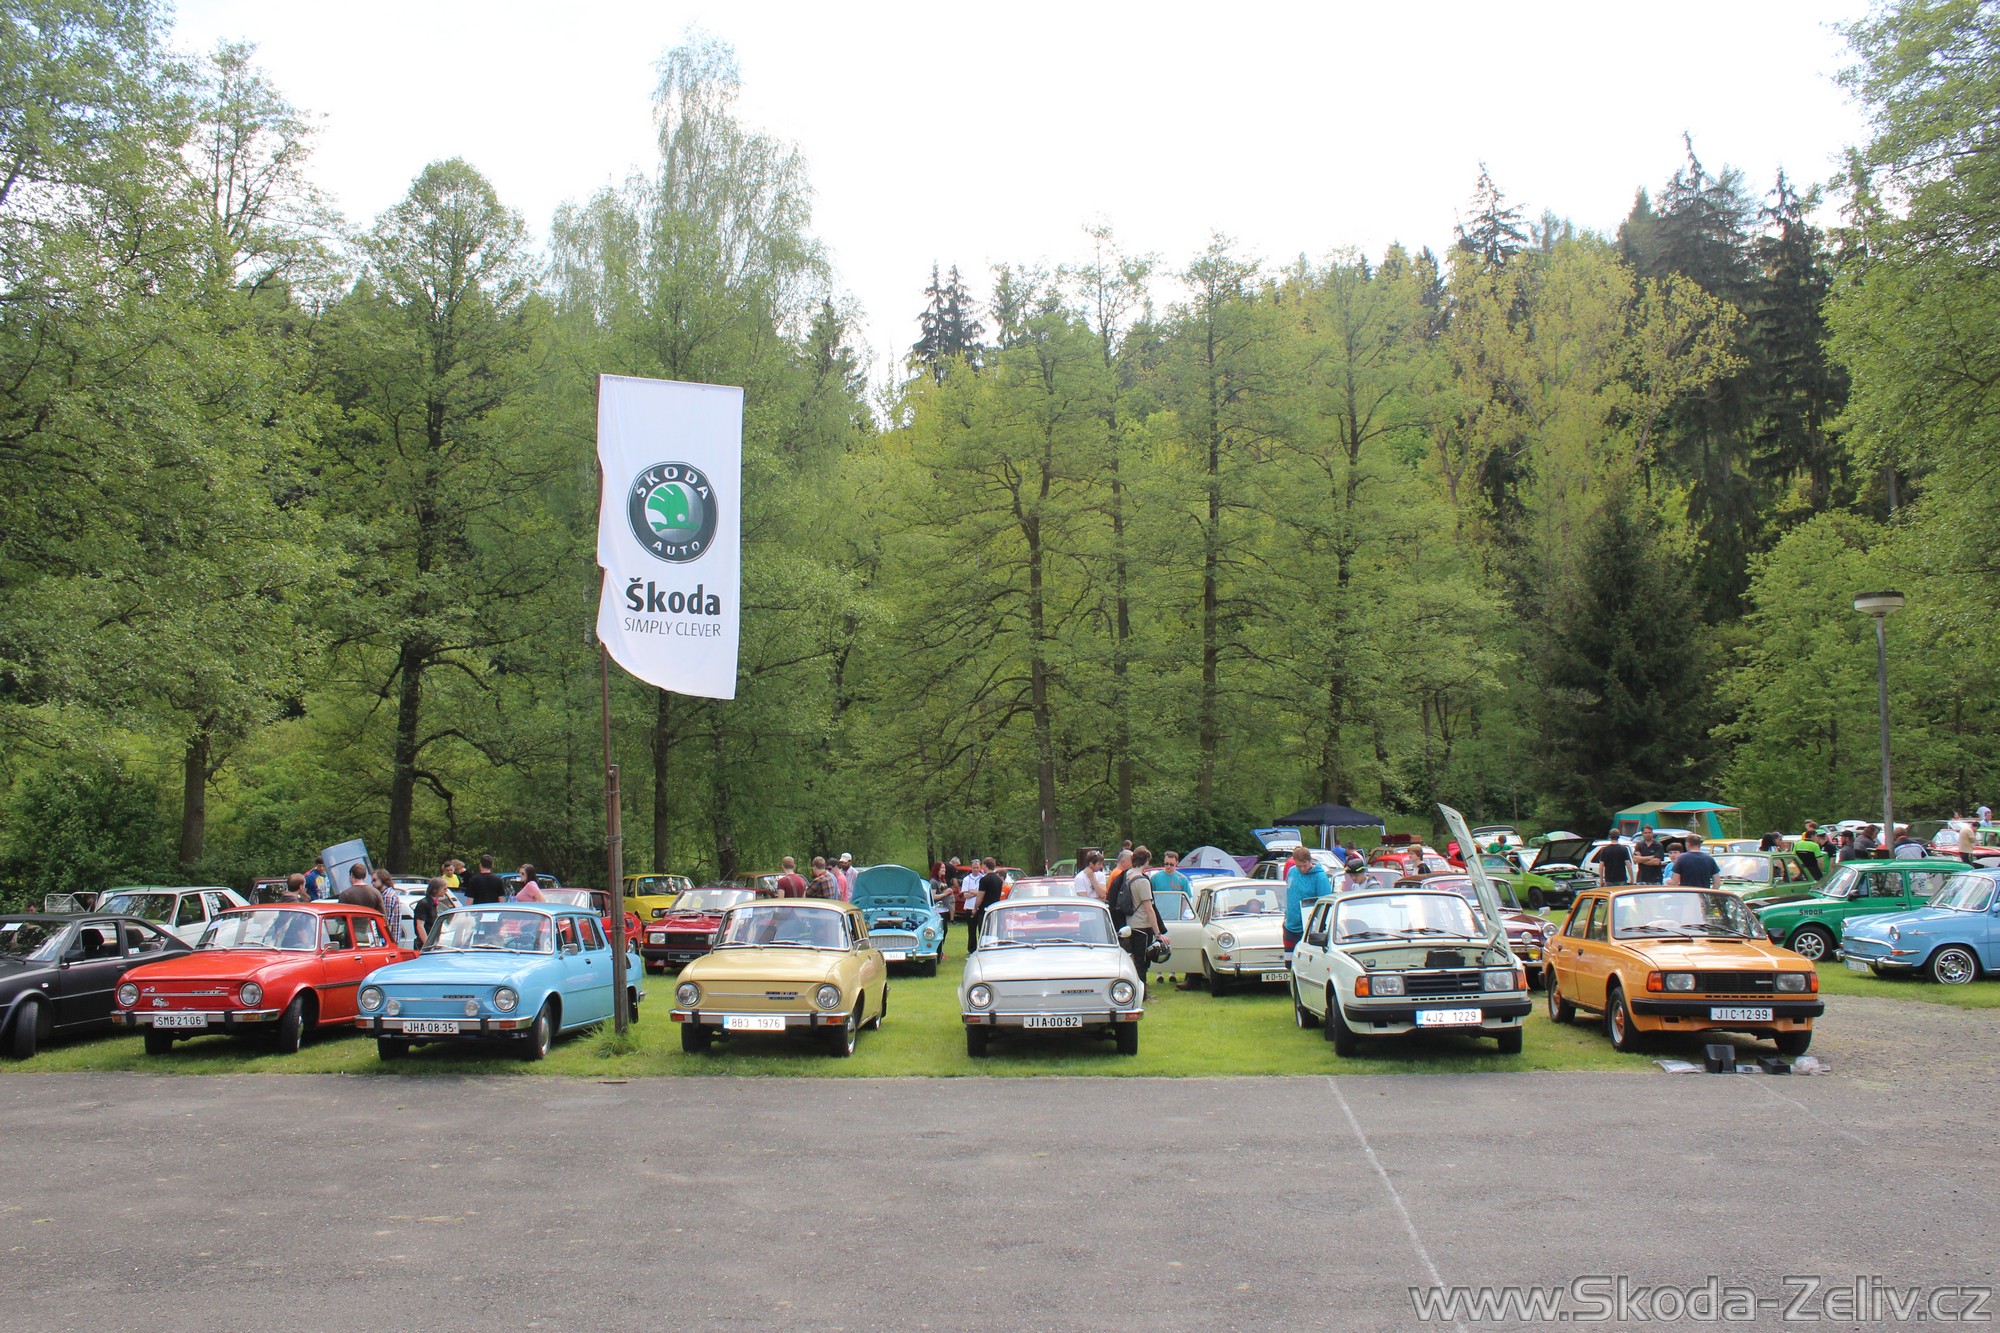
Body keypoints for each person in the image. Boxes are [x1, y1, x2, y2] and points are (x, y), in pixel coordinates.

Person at [1120, 847, 1163, 992]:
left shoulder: (1128, 875)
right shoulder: (1142, 881)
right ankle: (1142, 994)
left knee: (1135, 959)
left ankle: (1138, 990)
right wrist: (1158, 933)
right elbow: (1149, 908)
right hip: (1142, 925)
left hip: (1130, 923)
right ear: (1146, 861)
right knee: (1142, 961)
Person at [1282, 844, 1332, 954]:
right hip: (1290, 926)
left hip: (1308, 930)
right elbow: (1289, 893)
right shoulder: (1292, 871)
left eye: (1304, 865)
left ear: (1310, 861)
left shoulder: (1320, 877)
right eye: (1299, 866)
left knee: (1303, 962)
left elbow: (1326, 905)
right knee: (1289, 961)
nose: (1302, 869)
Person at [969, 857, 1004, 950]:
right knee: (994, 930)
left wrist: (975, 908)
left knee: (983, 931)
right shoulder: (999, 880)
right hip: (995, 908)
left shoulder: (984, 880)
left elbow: (980, 896)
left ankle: (984, 948)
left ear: (985, 865)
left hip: (985, 909)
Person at [413, 878, 452, 948]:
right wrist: (427, 945)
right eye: (444, 889)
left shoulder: (435, 903)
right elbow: (420, 926)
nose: (446, 891)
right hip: (424, 944)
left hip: (433, 941)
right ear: (435, 889)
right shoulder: (424, 903)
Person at [373, 869, 405, 943]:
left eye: (374, 880)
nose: (372, 883)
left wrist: (386, 942)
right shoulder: (387, 893)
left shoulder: (388, 896)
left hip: (390, 939)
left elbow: (387, 922)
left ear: (382, 879)